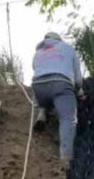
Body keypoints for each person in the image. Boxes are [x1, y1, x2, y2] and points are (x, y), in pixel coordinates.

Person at [31, 32, 85, 161]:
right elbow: (77, 77)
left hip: (38, 86)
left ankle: (42, 112)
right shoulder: (67, 49)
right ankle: (65, 156)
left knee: (44, 92)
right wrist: (79, 91)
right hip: (60, 84)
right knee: (68, 119)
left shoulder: (38, 53)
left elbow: (37, 70)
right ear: (59, 40)